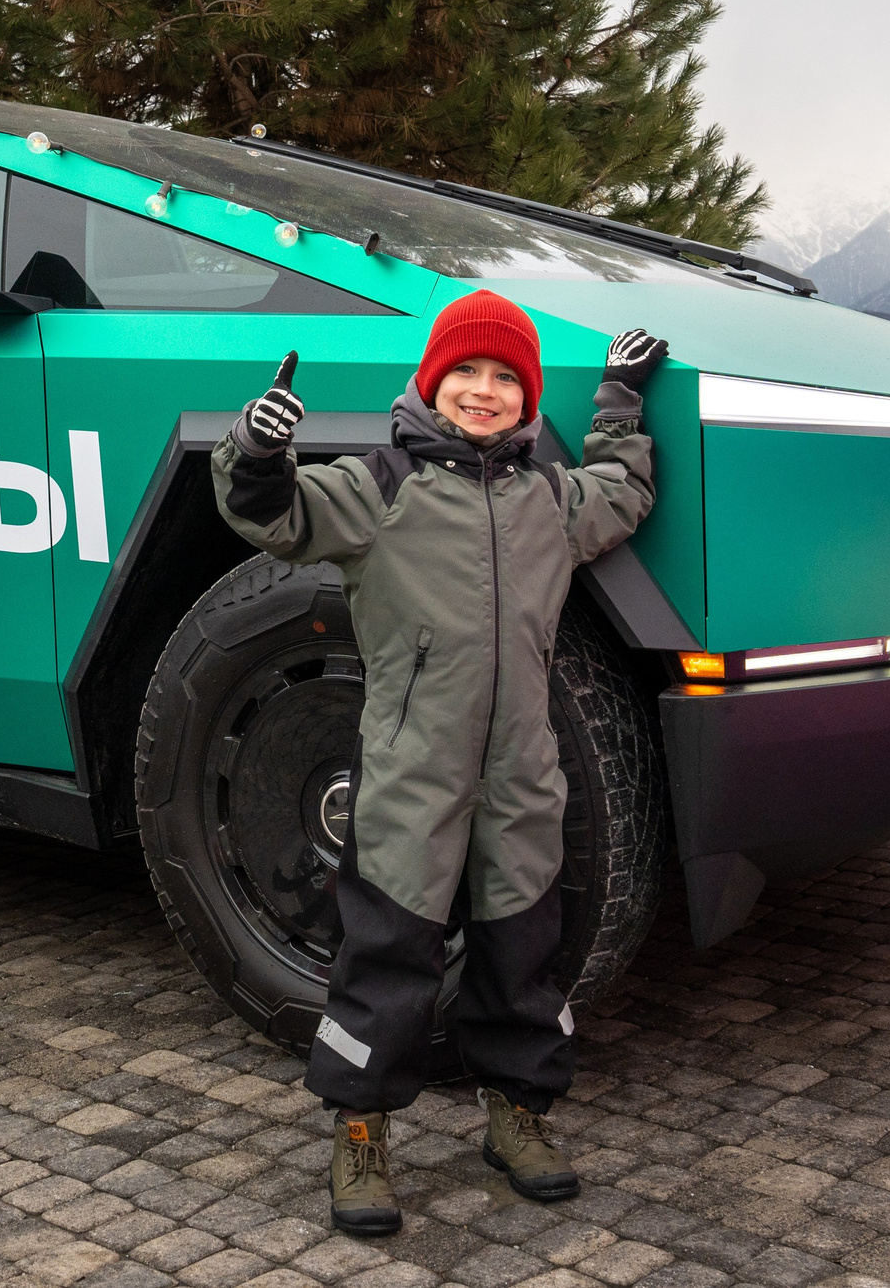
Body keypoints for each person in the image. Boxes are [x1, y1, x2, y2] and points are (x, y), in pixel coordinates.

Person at [211, 291, 668, 1234]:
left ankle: (516, 1114)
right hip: (411, 770)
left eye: (506, 377)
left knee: (524, 952)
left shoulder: (548, 497)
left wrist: (620, 400)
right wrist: (255, 450)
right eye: (466, 372)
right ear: (431, 381)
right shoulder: (379, 487)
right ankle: (361, 1131)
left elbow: (621, 493)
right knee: (388, 953)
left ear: (528, 396)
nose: (484, 391)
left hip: (522, 772)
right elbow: (275, 515)